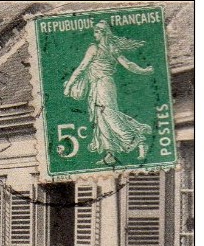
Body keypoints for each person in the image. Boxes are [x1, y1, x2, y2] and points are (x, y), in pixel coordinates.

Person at [64, 20, 154, 165]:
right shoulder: (112, 48)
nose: (95, 35)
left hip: (102, 84)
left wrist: (69, 85)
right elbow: (128, 65)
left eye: (97, 32)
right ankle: (110, 153)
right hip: (103, 84)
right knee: (101, 118)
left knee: (108, 114)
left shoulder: (94, 48)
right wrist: (143, 71)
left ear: (103, 33)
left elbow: (82, 67)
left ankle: (136, 138)